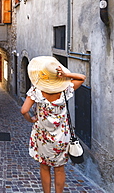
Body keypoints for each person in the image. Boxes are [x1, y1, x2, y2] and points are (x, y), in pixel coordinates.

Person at [21, 56, 86, 193]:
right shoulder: (65, 89)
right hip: (62, 136)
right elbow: (82, 78)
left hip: (43, 136)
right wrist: (66, 75)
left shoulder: (36, 91)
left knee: (44, 167)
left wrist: (31, 119)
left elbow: (24, 110)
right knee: (60, 169)